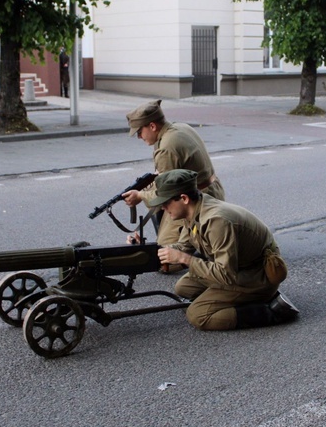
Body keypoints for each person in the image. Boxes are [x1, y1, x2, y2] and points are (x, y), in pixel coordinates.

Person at [150, 169, 298, 330]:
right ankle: (235, 298)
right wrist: (149, 250)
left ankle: (271, 310)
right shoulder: (195, 209)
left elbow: (225, 274)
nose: (163, 207)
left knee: (198, 315)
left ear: (184, 198)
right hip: (238, 269)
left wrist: (185, 259)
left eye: (166, 202)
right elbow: (183, 247)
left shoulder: (216, 221)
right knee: (183, 288)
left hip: (255, 275)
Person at [123, 100, 225, 261]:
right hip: (211, 191)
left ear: (152, 126)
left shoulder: (166, 147)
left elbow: (164, 193)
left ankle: (199, 248)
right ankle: (194, 242)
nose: (139, 137)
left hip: (195, 202)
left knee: (165, 259)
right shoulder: (179, 128)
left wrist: (140, 196)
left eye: (139, 131)